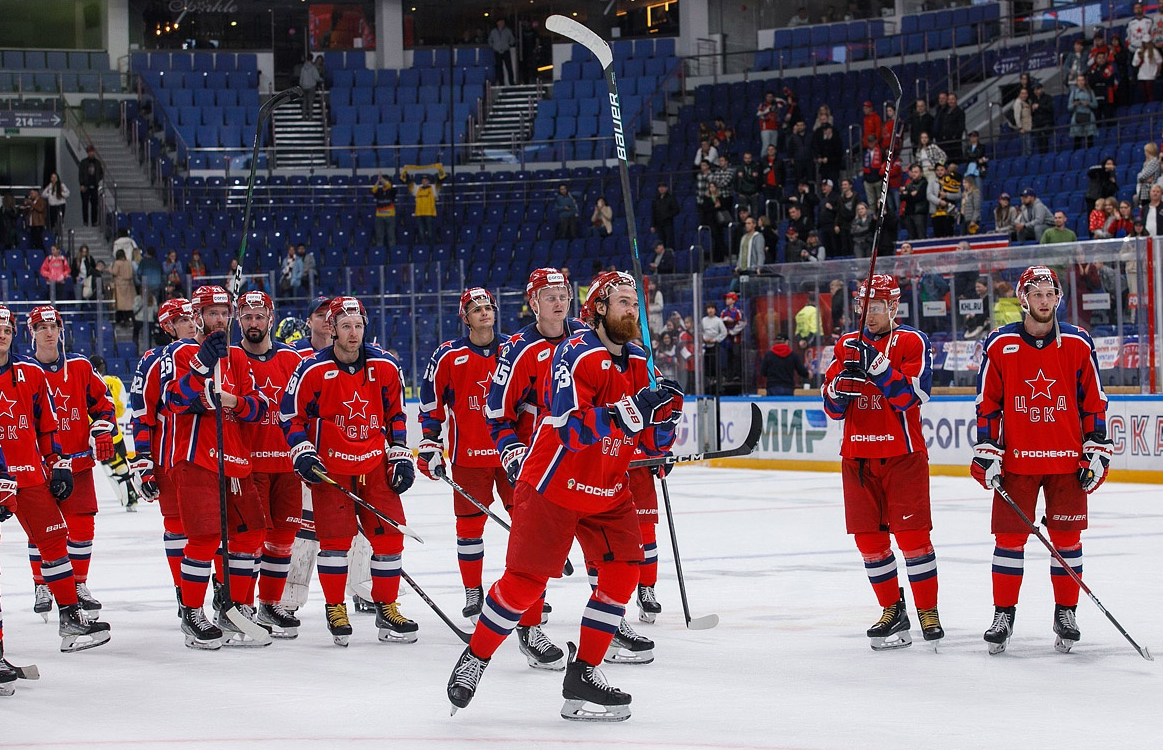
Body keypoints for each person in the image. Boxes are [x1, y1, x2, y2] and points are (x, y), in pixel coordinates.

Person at [446, 271, 681, 721]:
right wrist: (636, 410)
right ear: (598, 309)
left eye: (636, 303)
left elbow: (644, 430)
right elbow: (572, 430)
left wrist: (663, 427)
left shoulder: (637, 358)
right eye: (623, 303)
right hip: (555, 484)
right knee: (524, 585)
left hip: (609, 488)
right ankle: (475, 658)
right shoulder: (575, 355)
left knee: (622, 576)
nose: (632, 311)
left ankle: (584, 675)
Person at [419, 287, 566, 666]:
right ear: (464, 316)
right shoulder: (447, 355)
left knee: (528, 527)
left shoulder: (514, 348)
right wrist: (431, 444)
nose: (485, 313)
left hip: (513, 456)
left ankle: (527, 595)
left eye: (489, 307)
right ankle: (473, 591)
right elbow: (431, 404)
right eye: (477, 308)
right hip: (469, 458)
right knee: (469, 529)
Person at [972, 266, 1111, 655]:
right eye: (1037, 294)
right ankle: (1004, 615)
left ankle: (1066, 612)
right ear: (1024, 299)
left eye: (1051, 294)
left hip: (1067, 463)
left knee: (1067, 541)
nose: (1045, 301)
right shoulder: (999, 344)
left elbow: (1094, 402)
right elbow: (988, 405)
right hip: (1017, 462)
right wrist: (988, 450)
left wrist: (1096, 447)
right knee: (1009, 541)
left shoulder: (1080, 343)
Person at [281, 296, 417, 647]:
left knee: (390, 539)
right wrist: (302, 450)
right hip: (332, 469)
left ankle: (386, 607)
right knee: (335, 544)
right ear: (332, 329)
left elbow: (396, 415)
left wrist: (400, 453)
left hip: (373, 465)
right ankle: (335, 607)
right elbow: (290, 415)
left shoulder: (385, 366)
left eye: (358, 325)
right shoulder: (312, 369)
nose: (353, 332)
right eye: (345, 326)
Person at [820, 275, 941, 651]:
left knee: (913, 539)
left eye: (876, 307)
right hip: (857, 457)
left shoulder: (911, 341)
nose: (868, 314)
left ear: (893, 307)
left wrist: (880, 368)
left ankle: (928, 611)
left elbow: (913, 397)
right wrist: (840, 390)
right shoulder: (846, 344)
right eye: (864, 307)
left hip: (903, 455)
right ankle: (892, 609)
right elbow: (830, 405)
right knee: (870, 542)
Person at [160, 285, 268, 649]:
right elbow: (173, 400)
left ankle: (233, 606)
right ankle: (191, 612)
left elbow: (259, 407)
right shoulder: (181, 352)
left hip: (235, 459)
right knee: (205, 538)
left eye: (224, 313)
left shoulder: (238, 357)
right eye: (212, 313)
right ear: (197, 317)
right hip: (196, 459)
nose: (219, 319)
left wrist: (234, 401)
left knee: (251, 535)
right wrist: (202, 365)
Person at [0, 305, 112, 652]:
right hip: (4, 476)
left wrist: (57, 461)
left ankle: (70, 617)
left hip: (30, 475)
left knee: (54, 542)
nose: (1, 335)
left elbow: (46, 424)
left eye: (5, 329)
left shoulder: (30, 372)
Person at [485, 269, 587, 626]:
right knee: (536, 551)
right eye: (549, 297)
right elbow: (496, 412)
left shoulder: (587, 339)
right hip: (542, 462)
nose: (558, 303)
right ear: (533, 303)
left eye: (563, 296)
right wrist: (512, 450)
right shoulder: (519, 349)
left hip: (585, 458)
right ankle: (530, 625)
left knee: (599, 539)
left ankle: (609, 618)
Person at [23, 304, 119, 623]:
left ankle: (78, 585)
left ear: (61, 331)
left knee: (82, 531)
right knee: (43, 533)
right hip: (39, 469)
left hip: (77, 465)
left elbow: (104, 407)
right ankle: (42, 585)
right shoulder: (22, 372)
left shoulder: (79, 367)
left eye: (53, 327)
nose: (49, 333)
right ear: (32, 333)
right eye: (41, 328)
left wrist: (102, 431)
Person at [234, 291, 305, 639]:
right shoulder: (230, 359)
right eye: (246, 316)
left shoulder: (291, 358)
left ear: (271, 319)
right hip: (248, 466)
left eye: (259, 316)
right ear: (238, 320)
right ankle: (242, 607)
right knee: (249, 540)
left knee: (283, 537)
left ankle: (270, 603)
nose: (253, 323)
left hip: (287, 463)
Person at [129, 298, 198, 615]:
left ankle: (225, 594)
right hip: (169, 456)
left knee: (215, 528)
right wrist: (143, 463)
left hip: (208, 455)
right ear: (168, 326)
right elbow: (141, 414)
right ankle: (185, 595)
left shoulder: (213, 354)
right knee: (177, 527)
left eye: (193, 318)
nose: (192, 324)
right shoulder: (153, 360)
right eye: (185, 320)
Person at [404, 164, 446, 244]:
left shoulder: (433, 188)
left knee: (430, 233)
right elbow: (409, 183)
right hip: (419, 213)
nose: (424, 181)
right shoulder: (417, 188)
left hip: (429, 213)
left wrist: (441, 169)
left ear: (429, 181)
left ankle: (431, 247)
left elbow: (440, 180)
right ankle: (424, 248)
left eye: (426, 180)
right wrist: (406, 171)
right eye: (423, 180)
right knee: (421, 233)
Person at [1069, 74, 1099, 149]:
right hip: (1077, 117)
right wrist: (1074, 104)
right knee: (1077, 140)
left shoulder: (1090, 91)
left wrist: (1088, 104)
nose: (1081, 82)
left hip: (1088, 117)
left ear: (1085, 81)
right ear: (1077, 82)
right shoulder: (1074, 92)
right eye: (1079, 80)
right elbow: (1069, 107)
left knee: (1090, 140)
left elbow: (1095, 105)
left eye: (1082, 80)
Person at [77, 145, 103, 227]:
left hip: (94, 185)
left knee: (94, 205)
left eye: (92, 151)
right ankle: (85, 221)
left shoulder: (97, 163)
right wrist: (81, 184)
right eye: (89, 152)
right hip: (85, 185)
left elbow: (101, 173)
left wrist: (98, 180)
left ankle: (94, 221)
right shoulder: (84, 162)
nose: (91, 153)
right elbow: (80, 174)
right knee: (85, 205)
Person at [650, 183, 679, 251]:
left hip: (667, 223)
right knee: (661, 241)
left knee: (669, 240)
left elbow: (676, 210)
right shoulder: (656, 200)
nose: (661, 189)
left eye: (663, 187)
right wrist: (652, 225)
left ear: (666, 188)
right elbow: (653, 213)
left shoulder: (671, 198)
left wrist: (667, 215)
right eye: (660, 187)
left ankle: (670, 254)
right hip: (659, 224)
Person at [488, 17, 517, 86]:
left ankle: (511, 81)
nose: (502, 23)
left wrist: (509, 44)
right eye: (501, 22)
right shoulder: (493, 31)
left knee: (509, 67)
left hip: (506, 51)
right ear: (497, 23)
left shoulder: (508, 31)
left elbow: (512, 39)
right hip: (497, 51)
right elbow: (490, 40)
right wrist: (493, 46)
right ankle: (501, 83)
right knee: (499, 68)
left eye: (503, 22)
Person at [371, 173, 397, 248]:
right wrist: (378, 181)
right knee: (379, 237)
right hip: (379, 217)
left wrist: (382, 179)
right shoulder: (379, 191)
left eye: (385, 181)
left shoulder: (392, 191)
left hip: (390, 216)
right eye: (382, 181)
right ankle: (380, 254)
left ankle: (392, 254)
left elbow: (389, 186)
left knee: (391, 236)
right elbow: (373, 191)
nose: (383, 182)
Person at [298, 54, 322, 120]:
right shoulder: (313, 68)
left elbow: (301, 78)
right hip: (311, 86)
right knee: (310, 102)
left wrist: (301, 85)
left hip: (304, 86)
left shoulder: (303, 68)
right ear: (312, 59)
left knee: (304, 102)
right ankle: (310, 117)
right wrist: (321, 80)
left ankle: (303, 117)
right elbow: (316, 77)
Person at [1013, 87, 1034, 157]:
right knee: (1025, 148)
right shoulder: (1018, 103)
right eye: (1022, 93)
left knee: (1028, 147)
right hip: (1023, 129)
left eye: (1025, 93)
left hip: (1028, 128)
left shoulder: (1028, 102)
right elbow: (1017, 116)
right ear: (1019, 94)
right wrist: (1020, 127)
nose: (1024, 95)